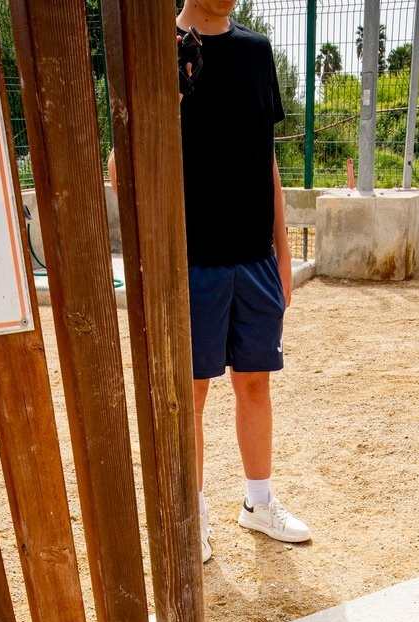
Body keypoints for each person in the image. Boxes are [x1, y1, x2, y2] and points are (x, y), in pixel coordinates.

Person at [172, 0, 310, 561]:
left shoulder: (256, 52)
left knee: (255, 382)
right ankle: (192, 514)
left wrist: (281, 250)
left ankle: (257, 504)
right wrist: (172, 96)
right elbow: (119, 165)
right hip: (190, 260)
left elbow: (266, 159)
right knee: (192, 396)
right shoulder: (159, 52)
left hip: (254, 260)